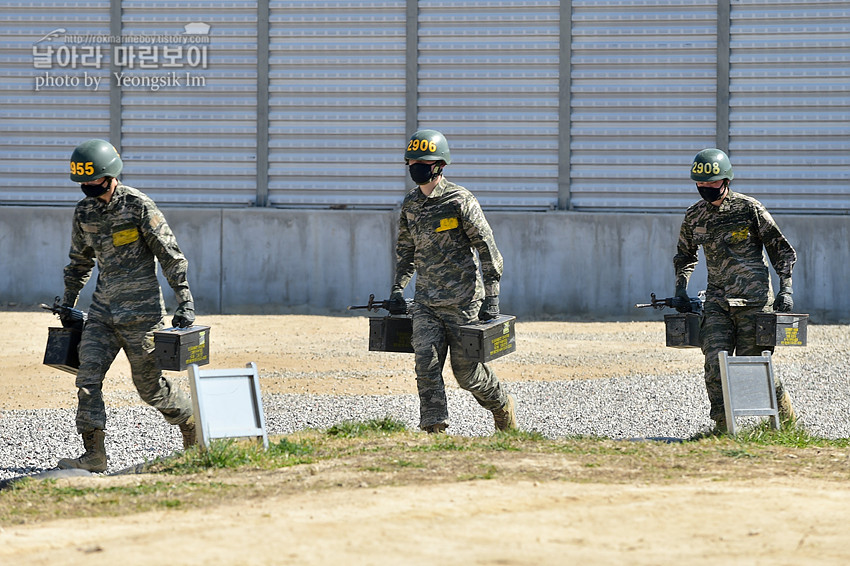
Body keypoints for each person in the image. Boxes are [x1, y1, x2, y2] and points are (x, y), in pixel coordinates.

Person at [57, 139, 198, 472]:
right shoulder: (84, 211)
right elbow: (79, 262)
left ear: (109, 176)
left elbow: (170, 254)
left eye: (92, 181)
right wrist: (68, 302)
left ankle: (191, 423)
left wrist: (185, 301)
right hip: (103, 314)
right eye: (83, 182)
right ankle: (94, 455)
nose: (87, 187)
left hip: (142, 316)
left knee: (151, 391)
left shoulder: (138, 206)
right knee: (87, 379)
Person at [389, 129, 517, 434]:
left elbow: (487, 248)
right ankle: (434, 429)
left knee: (467, 374)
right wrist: (397, 289)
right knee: (426, 365)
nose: (415, 167)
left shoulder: (460, 200)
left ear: (440, 166)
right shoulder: (410, 205)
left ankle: (501, 406)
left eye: (423, 162)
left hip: (463, 303)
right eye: (411, 162)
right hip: (426, 303)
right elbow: (405, 252)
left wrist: (492, 296)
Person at [673, 148, 797, 433]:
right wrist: (680, 288)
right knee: (715, 362)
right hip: (718, 301)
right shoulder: (694, 216)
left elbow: (781, 250)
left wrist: (786, 288)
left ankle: (785, 420)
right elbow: (685, 255)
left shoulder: (748, 209)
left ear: (726, 180)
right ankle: (723, 428)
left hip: (754, 302)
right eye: (700, 184)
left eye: (712, 184)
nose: (705, 189)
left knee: (753, 366)